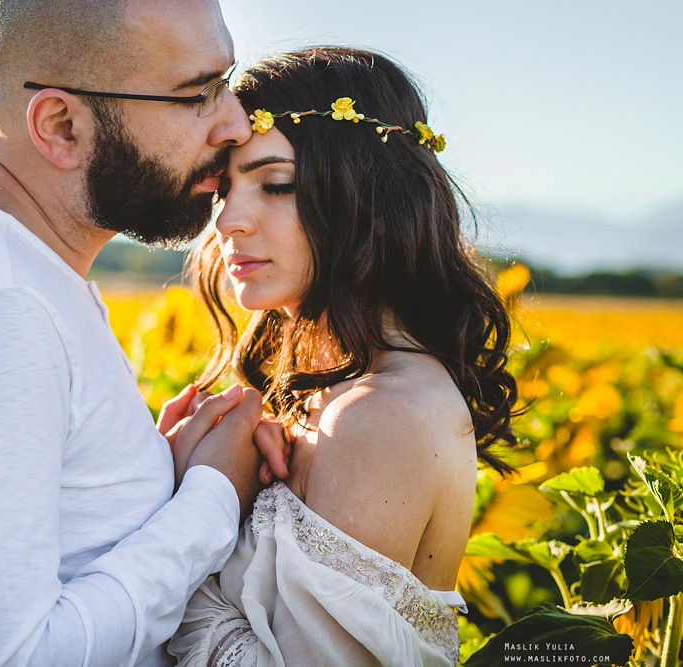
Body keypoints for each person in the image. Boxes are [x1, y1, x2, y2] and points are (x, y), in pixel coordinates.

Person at [0, 1, 288, 665]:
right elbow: (3, 659)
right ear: (61, 126)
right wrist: (212, 500)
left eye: (227, 83)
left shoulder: (15, 273)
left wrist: (150, 476)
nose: (235, 121)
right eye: (196, 94)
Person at [168, 47, 520, 666]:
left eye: (276, 185)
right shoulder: (333, 391)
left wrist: (196, 501)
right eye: (224, 189)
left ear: (376, 203)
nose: (229, 222)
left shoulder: (381, 416)